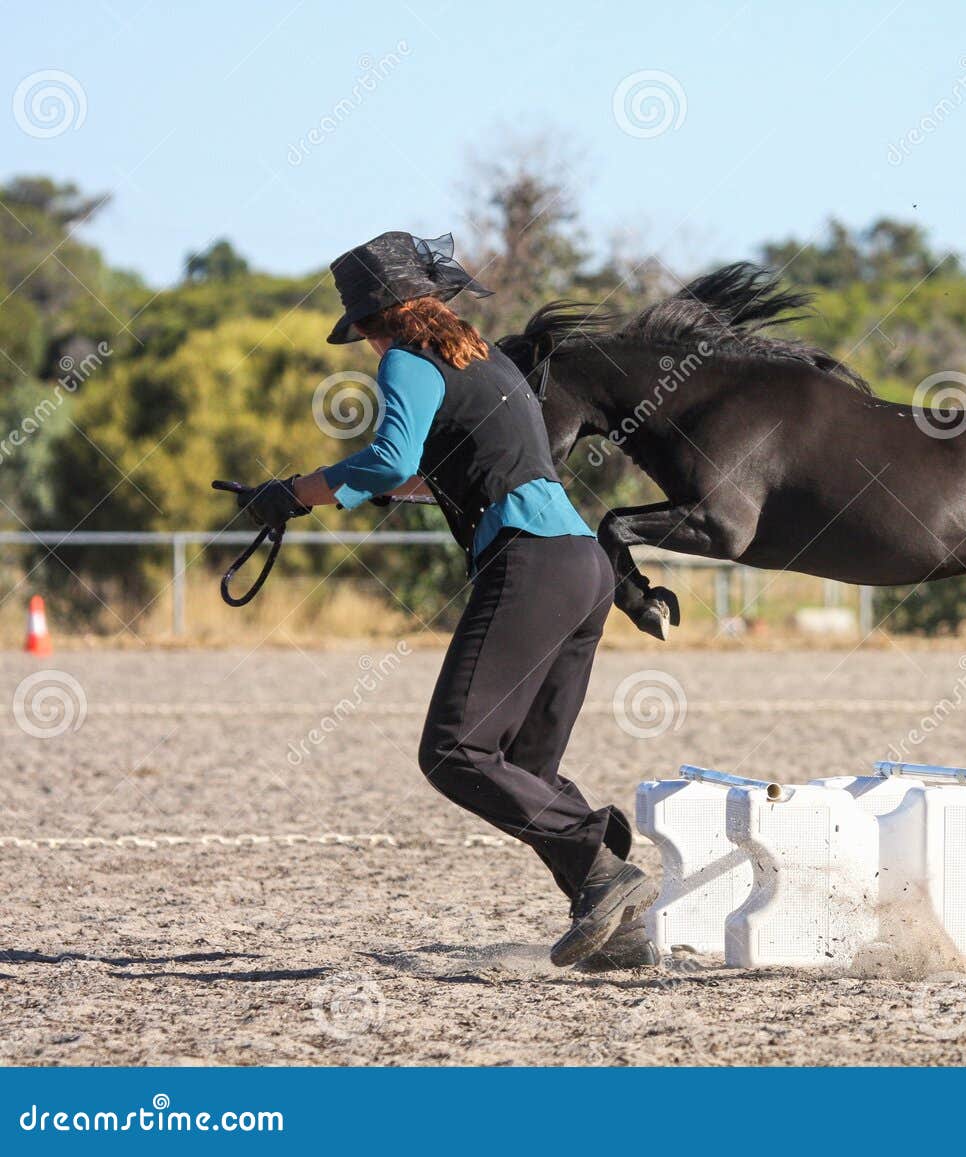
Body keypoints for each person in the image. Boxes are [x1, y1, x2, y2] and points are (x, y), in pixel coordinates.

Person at [232, 231, 656, 971]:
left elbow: (393, 457)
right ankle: (615, 925)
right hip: (583, 567)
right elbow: (455, 465)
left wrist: (293, 492)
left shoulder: (406, 358)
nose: (365, 345)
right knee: (525, 765)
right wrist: (376, 488)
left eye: (360, 330)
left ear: (373, 321)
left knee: (454, 750)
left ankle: (603, 867)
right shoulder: (485, 358)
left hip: (528, 563)